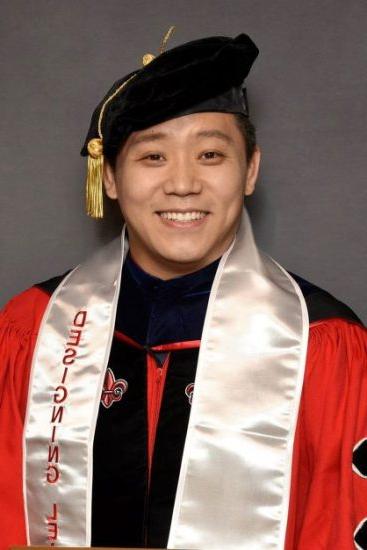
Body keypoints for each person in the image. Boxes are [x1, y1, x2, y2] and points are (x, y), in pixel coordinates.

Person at [0, 28, 366, 550]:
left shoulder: (323, 343)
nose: (182, 184)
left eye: (211, 156)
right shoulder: (34, 328)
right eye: (153, 157)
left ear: (250, 170)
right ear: (108, 178)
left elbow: (335, 526)